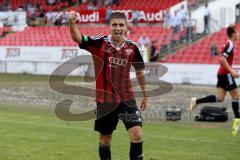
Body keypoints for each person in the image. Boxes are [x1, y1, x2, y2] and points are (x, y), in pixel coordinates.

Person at [69, 11, 148, 160]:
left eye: (121, 25)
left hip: (127, 100)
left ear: (126, 28)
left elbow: (140, 73)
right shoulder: (99, 43)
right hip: (105, 100)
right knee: (106, 139)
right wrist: (71, 23)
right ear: (109, 27)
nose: (118, 28)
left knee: (137, 135)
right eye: (114, 25)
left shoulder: (133, 48)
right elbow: (78, 38)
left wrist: (145, 95)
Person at [189, 25, 240, 136]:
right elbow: (222, 58)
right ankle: (237, 121)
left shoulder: (229, 44)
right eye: (237, 33)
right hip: (226, 74)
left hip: (222, 74)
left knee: (220, 98)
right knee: (236, 96)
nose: (238, 34)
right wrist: (232, 71)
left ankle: (196, 101)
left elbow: (221, 58)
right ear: (232, 34)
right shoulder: (230, 45)